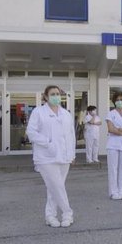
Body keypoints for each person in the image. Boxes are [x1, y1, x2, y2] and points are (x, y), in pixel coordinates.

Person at [26, 85, 76, 228]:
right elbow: (31, 132)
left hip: (64, 157)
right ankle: (68, 213)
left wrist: (72, 154)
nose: (56, 96)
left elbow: (71, 135)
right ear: (46, 97)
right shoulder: (39, 112)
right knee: (57, 186)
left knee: (53, 188)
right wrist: (48, 143)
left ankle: (50, 215)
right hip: (46, 157)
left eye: (58, 93)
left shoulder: (66, 114)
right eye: (52, 94)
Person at [105, 92, 122, 200]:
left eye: (121, 99)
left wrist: (119, 129)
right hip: (113, 144)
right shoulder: (110, 114)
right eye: (117, 100)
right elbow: (111, 129)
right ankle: (113, 192)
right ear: (114, 102)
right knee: (113, 169)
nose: (119, 101)